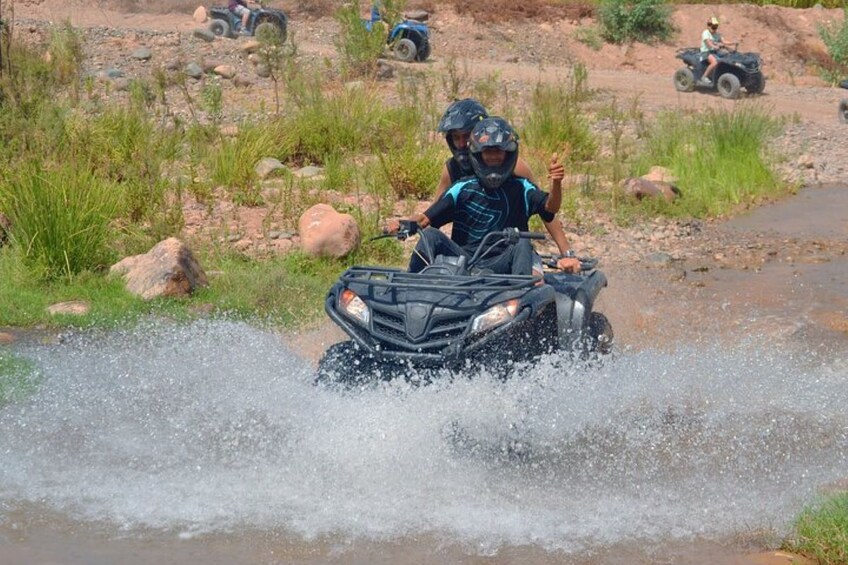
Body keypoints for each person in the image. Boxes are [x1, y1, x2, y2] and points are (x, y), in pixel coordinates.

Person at [387, 117, 581, 276]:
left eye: (499, 152)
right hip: (464, 260)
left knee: (522, 241)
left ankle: (519, 307)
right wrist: (404, 224)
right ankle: (410, 286)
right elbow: (425, 219)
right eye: (488, 152)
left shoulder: (522, 187)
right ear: (477, 155)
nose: (493, 157)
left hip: (506, 261)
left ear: (509, 154)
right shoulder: (461, 188)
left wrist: (556, 182)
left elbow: (551, 208)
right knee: (430, 235)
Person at [432, 98, 578, 272]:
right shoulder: (451, 170)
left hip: (511, 250)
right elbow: (434, 214)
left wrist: (566, 252)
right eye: (456, 138)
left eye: (466, 136)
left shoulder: (514, 167)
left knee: (533, 279)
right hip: (469, 255)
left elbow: (545, 210)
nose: (462, 144)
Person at [700, 17, 734, 86]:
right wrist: (716, 47)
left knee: (727, 56)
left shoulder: (717, 34)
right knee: (714, 62)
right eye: (713, 27)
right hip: (706, 52)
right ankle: (704, 77)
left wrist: (733, 43)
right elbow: (709, 44)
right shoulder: (705, 33)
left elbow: (724, 41)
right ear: (708, 26)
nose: (714, 29)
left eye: (716, 27)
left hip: (714, 52)